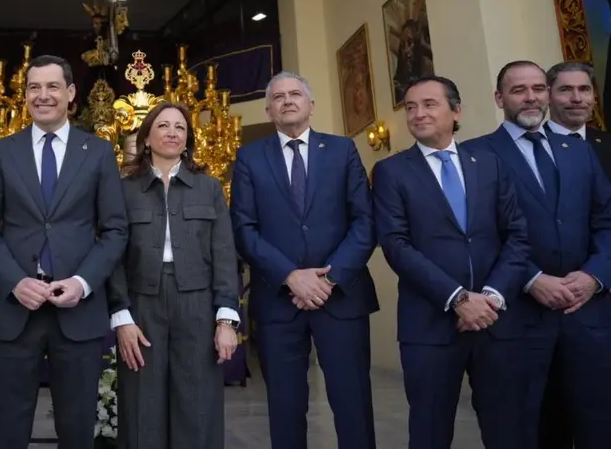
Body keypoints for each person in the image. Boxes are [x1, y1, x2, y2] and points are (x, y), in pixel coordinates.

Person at [0, 54, 128, 449]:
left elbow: (114, 230)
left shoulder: (99, 152)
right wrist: (14, 282)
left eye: (52, 86)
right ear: (25, 95)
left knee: (77, 429)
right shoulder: (1, 151)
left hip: (77, 311)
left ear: (71, 93)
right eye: (34, 87)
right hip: (15, 311)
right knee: (8, 429)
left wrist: (83, 282)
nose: (42, 95)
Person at [371, 75, 531, 449]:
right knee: (429, 430)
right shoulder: (392, 172)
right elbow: (396, 245)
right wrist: (458, 298)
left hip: (495, 321)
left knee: (508, 428)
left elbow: (517, 236)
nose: (418, 114)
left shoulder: (489, 164)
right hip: (428, 326)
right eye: (411, 107)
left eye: (429, 104)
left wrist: (491, 297)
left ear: (456, 111)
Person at [463, 61, 611, 449]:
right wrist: (530, 279)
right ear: (499, 98)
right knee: (530, 431)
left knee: (599, 425)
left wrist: (593, 276)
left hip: (586, 315)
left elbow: (606, 221)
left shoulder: (578, 150)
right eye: (518, 90)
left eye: (538, 88)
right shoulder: (474, 154)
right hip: (518, 321)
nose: (531, 98)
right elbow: (478, 234)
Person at [230, 71, 378, 449]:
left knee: (353, 404)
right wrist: (290, 276)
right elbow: (243, 228)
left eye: (295, 94)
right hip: (278, 301)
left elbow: (365, 221)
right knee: (285, 407)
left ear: (311, 105)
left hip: (341, 298)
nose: (287, 101)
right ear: (268, 110)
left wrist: (328, 279)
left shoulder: (343, 150)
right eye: (278, 97)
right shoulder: (249, 157)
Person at [108, 102, 239, 449]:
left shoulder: (209, 187)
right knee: (142, 404)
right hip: (141, 305)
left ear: (188, 139)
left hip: (197, 305)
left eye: (180, 127)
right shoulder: (124, 190)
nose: (172, 133)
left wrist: (226, 320)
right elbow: (112, 256)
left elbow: (225, 255)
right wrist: (122, 317)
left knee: (197, 405)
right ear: (146, 138)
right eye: (163, 126)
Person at [543, 61, 611, 179]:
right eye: (566, 89)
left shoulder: (608, 142)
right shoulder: (533, 146)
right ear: (548, 95)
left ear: (594, 96)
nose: (577, 99)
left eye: (584, 89)